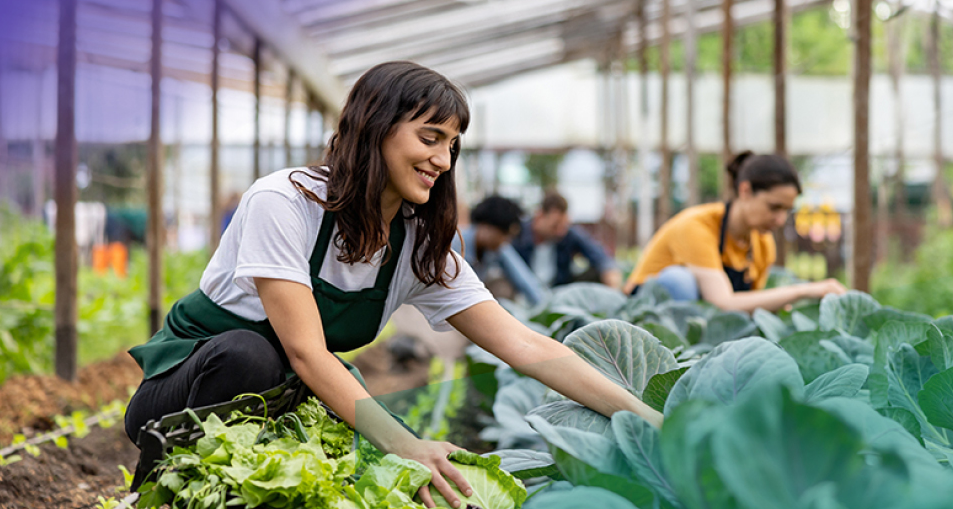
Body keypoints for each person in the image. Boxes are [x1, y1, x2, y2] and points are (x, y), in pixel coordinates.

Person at [124, 62, 661, 509]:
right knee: (251, 355)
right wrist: (408, 445)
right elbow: (307, 354)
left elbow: (524, 345)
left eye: (452, 145)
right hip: (179, 398)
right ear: (374, 127)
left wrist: (651, 419)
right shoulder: (284, 203)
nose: (442, 160)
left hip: (278, 405)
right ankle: (156, 489)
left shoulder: (415, 244)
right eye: (429, 138)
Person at [624, 151, 846, 312]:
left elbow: (748, 306)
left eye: (787, 210)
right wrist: (802, 290)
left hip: (698, 323)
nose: (780, 219)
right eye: (774, 207)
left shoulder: (762, 243)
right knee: (679, 281)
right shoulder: (695, 226)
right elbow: (723, 303)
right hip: (642, 317)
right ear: (745, 190)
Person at [511, 191, 623, 290]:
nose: (560, 232)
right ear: (539, 216)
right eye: (555, 226)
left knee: (597, 273)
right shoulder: (517, 233)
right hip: (522, 293)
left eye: (563, 226)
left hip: (559, 293)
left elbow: (601, 258)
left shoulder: (568, 235)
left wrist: (613, 283)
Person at [453, 195, 548, 305]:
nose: (506, 241)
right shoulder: (454, 245)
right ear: (487, 225)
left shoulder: (496, 249)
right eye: (504, 235)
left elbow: (522, 277)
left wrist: (543, 306)